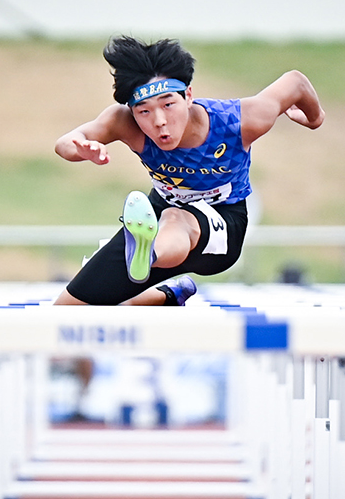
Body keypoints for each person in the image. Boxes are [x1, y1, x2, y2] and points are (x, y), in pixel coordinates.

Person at [54, 35, 325, 306]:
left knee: (176, 219)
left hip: (223, 224)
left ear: (189, 96)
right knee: (68, 308)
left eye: (168, 104)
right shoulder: (123, 122)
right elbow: (64, 143)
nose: (159, 121)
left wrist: (315, 119)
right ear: (133, 112)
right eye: (144, 111)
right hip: (157, 215)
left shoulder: (240, 120)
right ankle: (166, 293)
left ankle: (145, 253)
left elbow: (296, 82)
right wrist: (82, 149)